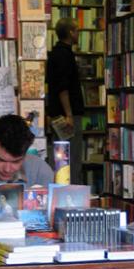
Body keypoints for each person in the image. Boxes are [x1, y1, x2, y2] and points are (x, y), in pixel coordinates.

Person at [46, 17, 85, 185]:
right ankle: (72, 192)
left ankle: (61, 189)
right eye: (77, 30)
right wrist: (69, 114)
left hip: (56, 114)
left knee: (61, 156)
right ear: (70, 32)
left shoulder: (55, 53)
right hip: (66, 115)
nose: (78, 33)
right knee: (72, 157)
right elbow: (63, 88)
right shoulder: (64, 55)